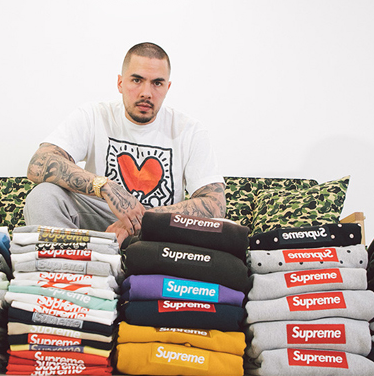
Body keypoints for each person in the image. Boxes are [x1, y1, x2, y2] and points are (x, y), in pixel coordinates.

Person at [25, 42, 226, 244]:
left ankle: (109, 258)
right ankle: (77, 259)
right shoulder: (94, 115)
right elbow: (38, 163)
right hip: (101, 221)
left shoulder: (190, 131)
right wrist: (105, 186)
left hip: (159, 231)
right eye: (137, 80)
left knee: (213, 226)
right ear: (120, 83)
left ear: (167, 88)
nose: (146, 93)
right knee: (43, 196)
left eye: (157, 83)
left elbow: (215, 204)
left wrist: (144, 219)